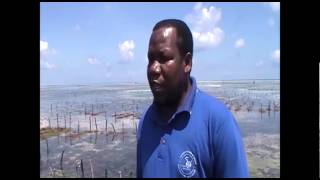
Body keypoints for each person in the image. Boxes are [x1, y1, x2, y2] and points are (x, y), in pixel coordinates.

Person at [137, 19, 249, 178]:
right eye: (150, 59)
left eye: (164, 58)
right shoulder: (145, 123)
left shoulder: (218, 122)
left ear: (187, 63)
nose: (153, 68)